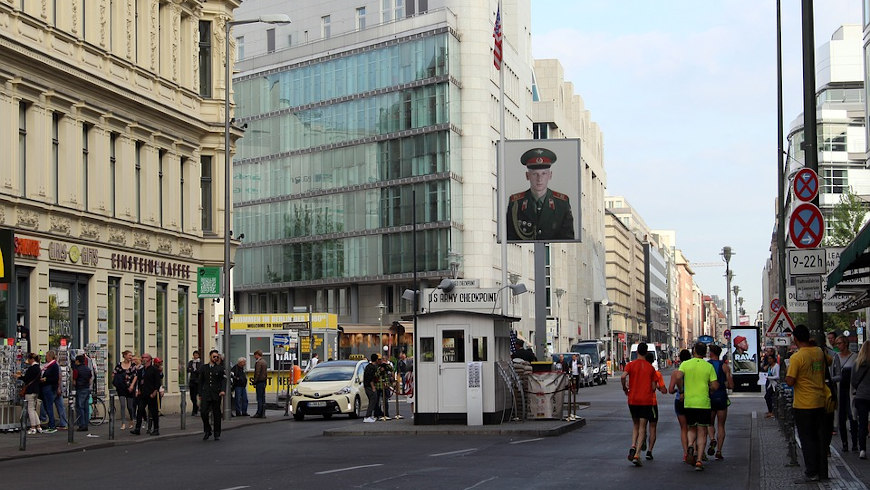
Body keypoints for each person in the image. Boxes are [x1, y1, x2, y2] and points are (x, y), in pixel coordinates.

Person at [785, 324, 832, 483]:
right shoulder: (818, 352)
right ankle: (822, 471)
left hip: (804, 404)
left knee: (807, 439)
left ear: (795, 339)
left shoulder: (797, 357)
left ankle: (811, 472)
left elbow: (790, 381)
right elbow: (830, 362)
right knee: (819, 438)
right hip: (820, 401)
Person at [506, 147, 575, 241]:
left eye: (544, 174)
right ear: (527, 176)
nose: (539, 179)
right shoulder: (516, 203)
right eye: (535, 174)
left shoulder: (561, 203)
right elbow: (510, 236)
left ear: (550, 175)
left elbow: (568, 237)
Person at [680, 342, 719, 472]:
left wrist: (682, 390)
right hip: (703, 403)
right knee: (702, 431)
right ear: (704, 353)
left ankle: (690, 445)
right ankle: (699, 460)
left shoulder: (685, 364)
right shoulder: (708, 367)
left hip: (689, 402)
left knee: (691, 428)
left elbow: (678, 377)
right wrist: (710, 389)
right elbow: (715, 385)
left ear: (694, 351)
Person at [620, 342, 657, 467]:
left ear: (636, 352)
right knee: (642, 427)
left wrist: (625, 388)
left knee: (635, 424)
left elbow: (623, 376)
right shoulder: (650, 368)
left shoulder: (630, 365)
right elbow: (653, 387)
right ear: (646, 353)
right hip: (646, 400)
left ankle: (632, 445)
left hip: (633, 399)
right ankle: (637, 454)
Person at [707, 344, 733, 460]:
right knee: (721, 425)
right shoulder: (725, 366)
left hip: (709, 397)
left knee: (709, 423)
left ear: (711, 353)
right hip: (722, 397)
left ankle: (712, 439)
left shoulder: (707, 366)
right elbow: (731, 385)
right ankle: (719, 451)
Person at [831, 335, 857, 452]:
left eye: (840, 343)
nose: (838, 346)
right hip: (839, 390)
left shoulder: (854, 357)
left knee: (853, 416)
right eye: (837, 344)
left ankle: (855, 443)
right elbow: (833, 375)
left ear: (845, 343)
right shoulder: (836, 357)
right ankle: (845, 443)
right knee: (841, 418)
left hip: (851, 390)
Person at [669, 349, 693, 462]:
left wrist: (678, 391)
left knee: (683, 428)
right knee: (693, 427)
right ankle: (694, 449)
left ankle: (685, 453)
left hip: (679, 400)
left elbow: (670, 389)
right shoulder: (693, 370)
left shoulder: (675, 372)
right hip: (692, 400)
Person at [643, 352, 668, 460]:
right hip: (651, 403)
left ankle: (642, 439)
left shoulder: (640, 372)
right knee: (652, 427)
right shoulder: (656, 374)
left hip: (639, 402)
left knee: (640, 426)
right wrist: (658, 386)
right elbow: (663, 390)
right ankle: (649, 450)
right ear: (653, 361)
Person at [130, 353, 161, 436]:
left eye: (144, 357)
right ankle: (137, 428)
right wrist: (139, 390)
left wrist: (155, 392)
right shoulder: (141, 370)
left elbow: (158, 382)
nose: (142, 359)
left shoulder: (154, 370)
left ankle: (156, 429)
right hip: (143, 394)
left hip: (151, 393)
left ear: (149, 359)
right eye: (142, 357)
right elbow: (140, 381)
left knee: (154, 412)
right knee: (139, 410)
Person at [198, 349, 226, 441]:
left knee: (216, 413)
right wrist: (200, 393)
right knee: (203, 412)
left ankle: (217, 433)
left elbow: (223, 380)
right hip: (206, 393)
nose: (215, 358)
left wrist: (222, 390)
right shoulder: (203, 368)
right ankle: (207, 430)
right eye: (214, 357)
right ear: (210, 357)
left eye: (217, 357)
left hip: (216, 393)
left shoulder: (220, 368)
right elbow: (200, 381)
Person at [851, 341, 870, 459]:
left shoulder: (857, 364)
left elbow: (853, 381)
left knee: (862, 424)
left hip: (861, 396)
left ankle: (862, 449)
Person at [39, 350, 65, 433]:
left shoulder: (54, 365)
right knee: (52, 406)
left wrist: (58, 388)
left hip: (51, 388)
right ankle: (57, 423)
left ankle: (51, 424)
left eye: (46, 356)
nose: (46, 358)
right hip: (51, 388)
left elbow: (58, 377)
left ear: (50, 356)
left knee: (49, 406)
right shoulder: (49, 366)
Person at [112, 350, 138, 430]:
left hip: (130, 388)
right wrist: (117, 381)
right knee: (122, 405)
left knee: (130, 406)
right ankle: (123, 423)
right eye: (129, 355)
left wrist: (132, 386)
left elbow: (135, 376)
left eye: (131, 355)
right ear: (125, 356)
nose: (131, 357)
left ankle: (131, 419)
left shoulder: (133, 365)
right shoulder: (119, 365)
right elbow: (113, 374)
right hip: (121, 388)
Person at [18, 352, 42, 434]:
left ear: (32, 359)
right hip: (36, 390)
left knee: (30, 409)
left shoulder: (31, 368)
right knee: (33, 408)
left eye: (29, 359)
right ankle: (38, 426)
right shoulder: (38, 368)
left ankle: (33, 427)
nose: (28, 361)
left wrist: (19, 377)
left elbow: (26, 378)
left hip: (30, 390)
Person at [72, 354, 93, 432]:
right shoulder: (87, 369)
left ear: (77, 361)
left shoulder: (76, 369)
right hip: (86, 388)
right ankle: (86, 424)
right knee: (86, 407)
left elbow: (74, 381)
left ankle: (82, 424)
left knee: (80, 407)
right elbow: (90, 379)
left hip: (80, 389)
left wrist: (75, 385)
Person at [362, 353, 381, 423]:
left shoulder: (367, 366)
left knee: (372, 401)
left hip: (366, 386)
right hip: (370, 386)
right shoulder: (372, 368)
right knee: (373, 401)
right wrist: (373, 387)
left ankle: (369, 416)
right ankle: (367, 416)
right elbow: (371, 378)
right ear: (376, 359)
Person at [375, 355, 395, 420]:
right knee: (377, 401)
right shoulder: (377, 366)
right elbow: (376, 375)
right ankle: (378, 414)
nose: (382, 361)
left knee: (385, 401)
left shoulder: (387, 366)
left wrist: (386, 365)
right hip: (379, 386)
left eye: (383, 359)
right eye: (380, 359)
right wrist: (380, 369)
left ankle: (386, 414)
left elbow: (392, 369)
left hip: (386, 385)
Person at [251, 350, 268, 418]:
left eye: (255, 355)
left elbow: (257, 373)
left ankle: (259, 413)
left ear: (257, 355)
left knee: (259, 398)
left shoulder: (259, 362)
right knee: (263, 398)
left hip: (259, 382)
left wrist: (255, 381)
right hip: (263, 381)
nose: (254, 357)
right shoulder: (264, 362)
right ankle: (263, 413)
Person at [187, 350, 202, 416]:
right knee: (192, 396)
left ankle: (194, 410)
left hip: (198, 382)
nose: (195, 356)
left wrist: (193, 370)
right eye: (194, 355)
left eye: (196, 355)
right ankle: (196, 407)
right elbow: (188, 369)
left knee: (197, 395)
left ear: (198, 355)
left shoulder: (200, 363)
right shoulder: (191, 362)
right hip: (192, 381)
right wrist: (193, 370)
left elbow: (199, 371)